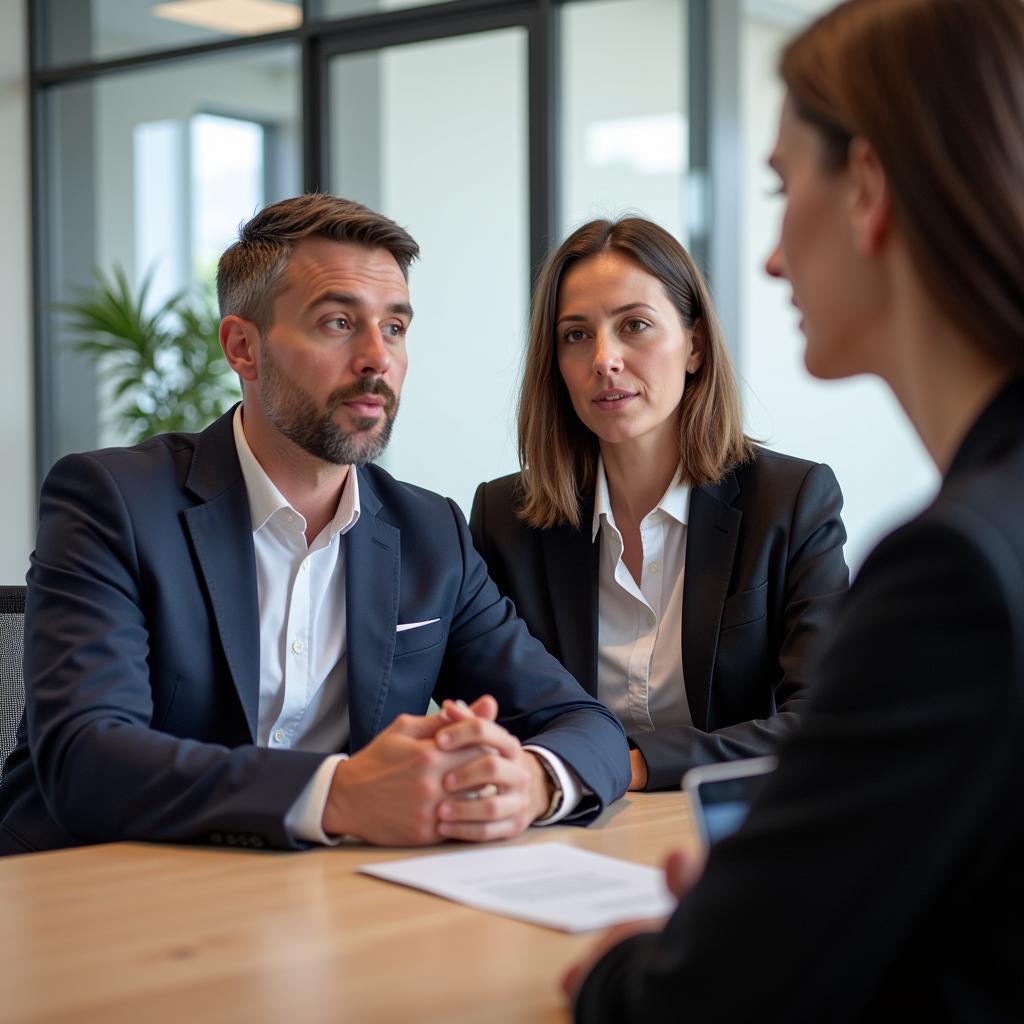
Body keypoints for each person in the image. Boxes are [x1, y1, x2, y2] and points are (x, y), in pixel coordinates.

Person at [566, 0, 1024, 1018]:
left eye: (780, 187)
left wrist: (639, 964)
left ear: (866, 190)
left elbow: (708, 1001)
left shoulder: (954, 570)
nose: (770, 258)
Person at [0, 194, 631, 855]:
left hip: (320, 901)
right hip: (88, 895)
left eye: (394, 328)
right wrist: (340, 793)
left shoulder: (429, 534)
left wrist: (530, 780)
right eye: (337, 323)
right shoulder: (113, 502)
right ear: (242, 347)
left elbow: (582, 723)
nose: (376, 359)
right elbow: (86, 760)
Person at [471, 217, 849, 791]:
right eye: (576, 335)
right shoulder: (506, 517)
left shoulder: (791, 501)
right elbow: (495, 718)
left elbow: (824, 723)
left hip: (735, 829)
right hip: (566, 830)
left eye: (635, 326)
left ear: (694, 346)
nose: (604, 359)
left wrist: (630, 766)